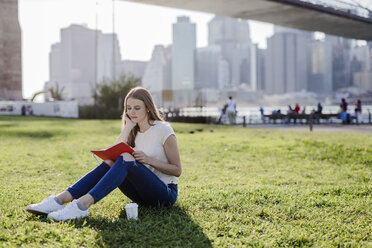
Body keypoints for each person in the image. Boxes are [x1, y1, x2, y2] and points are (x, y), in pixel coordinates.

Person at [26, 87, 182, 221]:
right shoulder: (133, 131)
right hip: (141, 195)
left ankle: (81, 205)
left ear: (148, 108)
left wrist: (149, 160)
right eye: (128, 108)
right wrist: (128, 128)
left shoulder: (163, 130)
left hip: (165, 194)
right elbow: (115, 154)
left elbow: (177, 170)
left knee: (125, 158)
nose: (132, 112)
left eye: (137, 108)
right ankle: (59, 200)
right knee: (111, 162)